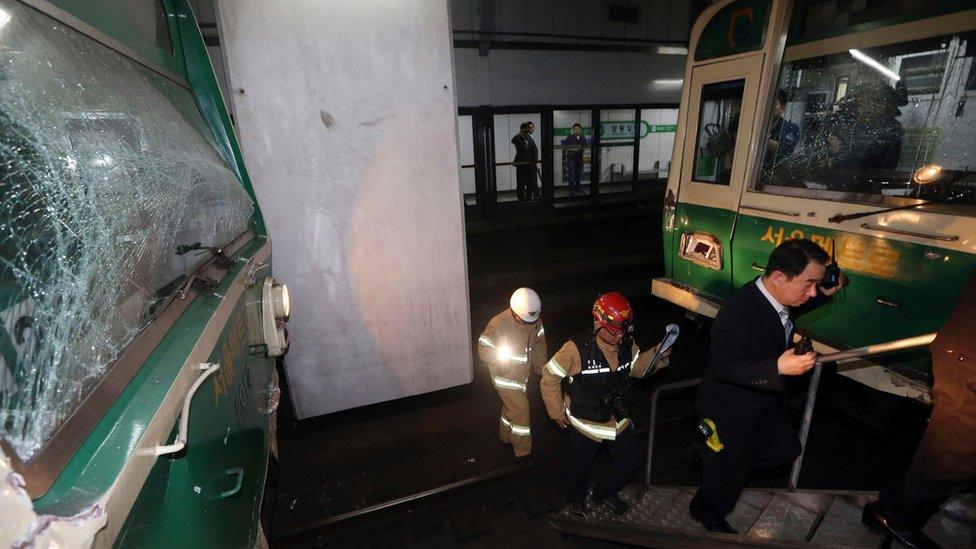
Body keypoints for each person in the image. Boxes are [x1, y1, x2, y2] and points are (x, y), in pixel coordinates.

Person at [689, 238, 845, 533]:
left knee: (785, 450)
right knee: (727, 478)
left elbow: (789, 312)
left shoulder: (776, 297)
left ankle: (716, 461)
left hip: (763, 405)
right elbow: (725, 366)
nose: (812, 293)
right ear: (777, 277)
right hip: (730, 413)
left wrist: (825, 292)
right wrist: (776, 367)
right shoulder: (738, 313)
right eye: (809, 284)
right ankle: (705, 511)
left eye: (817, 284)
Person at [861, 269, 976, 549]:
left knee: (949, 457)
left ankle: (893, 511)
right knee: (948, 460)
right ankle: (894, 518)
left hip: (966, 359)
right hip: (969, 366)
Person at [541, 292, 671, 517]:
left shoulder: (626, 344)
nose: (620, 336)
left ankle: (603, 493)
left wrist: (657, 355)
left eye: (624, 330)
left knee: (629, 462)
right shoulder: (575, 349)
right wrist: (556, 411)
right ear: (598, 323)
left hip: (615, 419)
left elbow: (637, 367)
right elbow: (550, 375)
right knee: (579, 467)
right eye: (614, 331)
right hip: (584, 423)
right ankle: (576, 500)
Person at [477, 288, 547, 460]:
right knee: (522, 409)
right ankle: (522, 451)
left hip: (522, 376)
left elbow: (539, 345)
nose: (528, 323)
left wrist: (541, 369)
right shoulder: (499, 323)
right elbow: (483, 346)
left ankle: (505, 437)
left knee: (512, 408)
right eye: (524, 319)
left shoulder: (534, 320)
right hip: (504, 376)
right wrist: (498, 358)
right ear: (515, 312)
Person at [766, 89, 799, 164]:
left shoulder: (790, 128)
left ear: (783, 108)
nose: (770, 108)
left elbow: (785, 149)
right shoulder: (757, 127)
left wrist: (763, 140)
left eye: (774, 104)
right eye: (768, 104)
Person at [511, 122, 538, 201]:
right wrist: (520, 133)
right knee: (521, 183)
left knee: (530, 183)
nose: (528, 130)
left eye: (528, 128)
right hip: (521, 164)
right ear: (522, 129)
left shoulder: (529, 138)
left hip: (530, 164)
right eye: (526, 128)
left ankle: (529, 198)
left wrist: (534, 162)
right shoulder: (518, 138)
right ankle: (521, 198)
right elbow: (513, 140)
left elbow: (534, 150)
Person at [561, 123, 587, 195]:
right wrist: (575, 149)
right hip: (571, 159)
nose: (577, 130)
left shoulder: (583, 138)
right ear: (573, 130)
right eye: (575, 129)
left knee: (578, 174)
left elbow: (584, 148)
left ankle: (578, 188)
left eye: (578, 128)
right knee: (572, 174)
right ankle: (571, 189)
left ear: (580, 129)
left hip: (579, 159)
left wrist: (575, 148)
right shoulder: (569, 137)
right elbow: (565, 147)